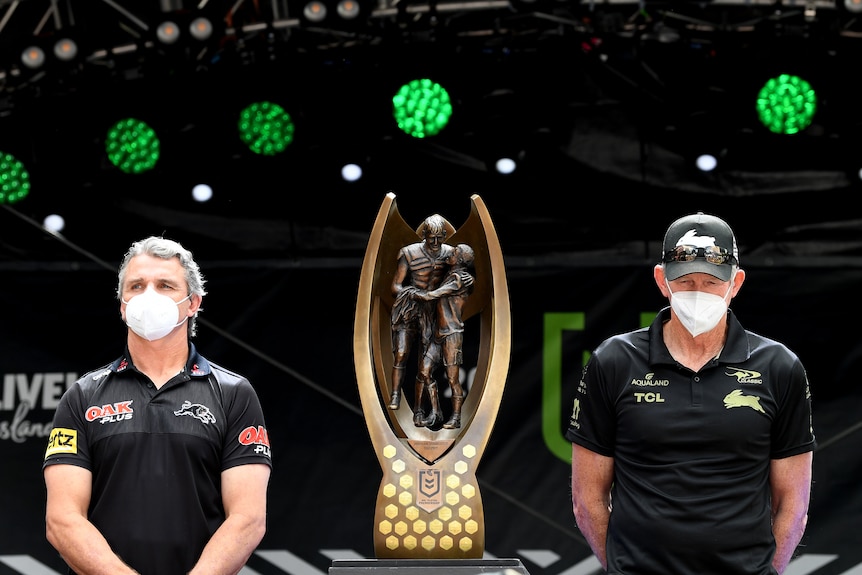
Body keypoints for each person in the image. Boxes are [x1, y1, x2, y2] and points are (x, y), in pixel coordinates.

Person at [567, 212, 815, 575]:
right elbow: (586, 500)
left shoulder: (779, 366)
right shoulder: (614, 360)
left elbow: (793, 504)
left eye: (712, 282)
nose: (698, 292)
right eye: (685, 280)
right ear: (661, 280)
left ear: (736, 283)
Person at [43, 236, 272, 575]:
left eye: (165, 285)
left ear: (193, 302)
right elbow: (62, 520)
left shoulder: (233, 393)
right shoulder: (83, 395)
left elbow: (248, 519)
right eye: (137, 285)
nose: (148, 295)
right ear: (122, 305)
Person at [388, 214, 455, 427]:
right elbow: (395, 286)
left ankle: (419, 410)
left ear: (444, 236)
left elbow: (461, 281)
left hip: (434, 312)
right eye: (430, 238)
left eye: (439, 238)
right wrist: (415, 294)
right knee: (400, 352)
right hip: (409, 307)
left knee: (424, 366)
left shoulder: (451, 254)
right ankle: (396, 393)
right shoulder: (409, 253)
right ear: (423, 235)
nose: (435, 243)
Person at [414, 243, 475, 429]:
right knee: (424, 371)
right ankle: (436, 411)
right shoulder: (450, 275)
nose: (451, 253)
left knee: (452, 379)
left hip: (452, 335)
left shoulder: (461, 278)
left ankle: (456, 417)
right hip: (438, 334)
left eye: (455, 252)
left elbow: (438, 293)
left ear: (461, 260)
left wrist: (424, 294)